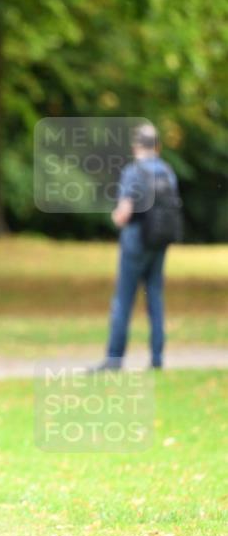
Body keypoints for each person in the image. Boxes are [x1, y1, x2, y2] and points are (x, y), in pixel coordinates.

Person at [96, 122, 181, 370]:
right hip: (160, 243)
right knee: (155, 296)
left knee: (123, 299)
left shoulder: (134, 172)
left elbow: (124, 213)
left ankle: (114, 358)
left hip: (135, 243)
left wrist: (114, 219)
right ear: (158, 146)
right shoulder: (168, 172)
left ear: (136, 147)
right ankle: (157, 358)